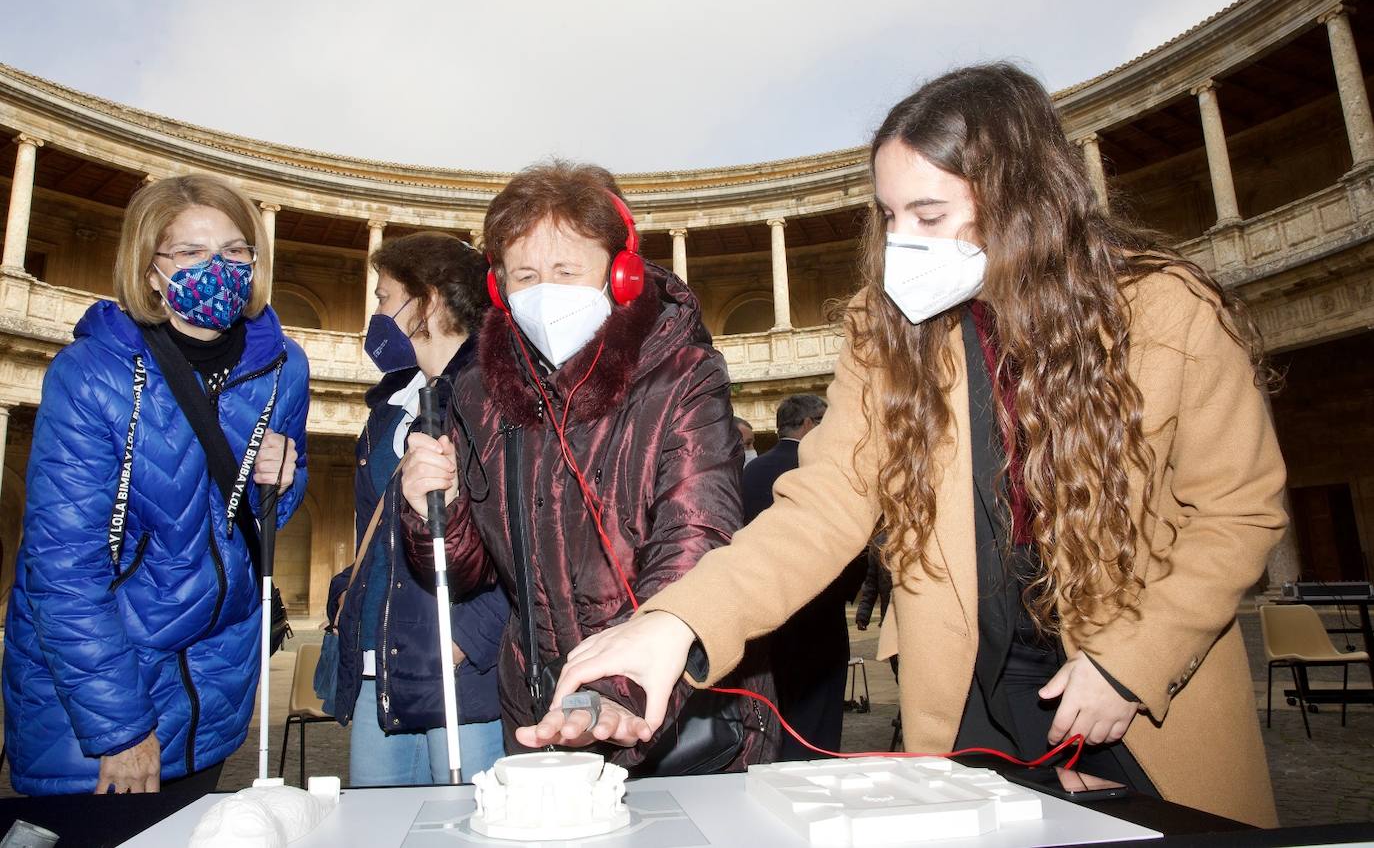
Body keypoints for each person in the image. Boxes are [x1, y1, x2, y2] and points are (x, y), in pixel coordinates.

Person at [530, 64, 1288, 827]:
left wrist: (1131, 667)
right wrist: (678, 621)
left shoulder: (1167, 309)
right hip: (970, 701)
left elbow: (1237, 512)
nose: (902, 244)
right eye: (889, 216)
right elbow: (823, 506)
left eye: (928, 214)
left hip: (1138, 701)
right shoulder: (885, 330)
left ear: (1023, 203)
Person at [400, 161, 777, 772]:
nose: (544, 290)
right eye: (524, 274)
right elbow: (468, 573)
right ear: (499, 288)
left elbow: (696, 538)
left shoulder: (684, 375)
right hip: (542, 707)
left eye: (567, 270)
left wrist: (611, 690)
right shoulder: (478, 393)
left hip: (682, 706)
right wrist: (425, 511)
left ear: (620, 274)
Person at [2, 174, 310, 796]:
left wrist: (284, 477)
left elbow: (253, 519)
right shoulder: (90, 375)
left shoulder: (282, 367)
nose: (217, 267)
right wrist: (118, 726)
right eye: (191, 253)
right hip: (96, 703)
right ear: (150, 270)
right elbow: (62, 567)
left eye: (234, 250)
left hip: (213, 692)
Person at [327, 231, 509, 785]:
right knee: (378, 827)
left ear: (427, 301)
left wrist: (467, 639)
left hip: (460, 666)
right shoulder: (391, 406)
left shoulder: (498, 395)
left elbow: (526, 536)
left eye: (384, 297)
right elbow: (372, 530)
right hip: (380, 661)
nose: (377, 315)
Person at [743, 394, 861, 758]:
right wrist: (845, 591)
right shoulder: (820, 468)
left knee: (778, 700)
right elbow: (851, 539)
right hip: (817, 607)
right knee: (820, 711)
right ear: (810, 424)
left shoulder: (751, 472)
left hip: (763, 606)